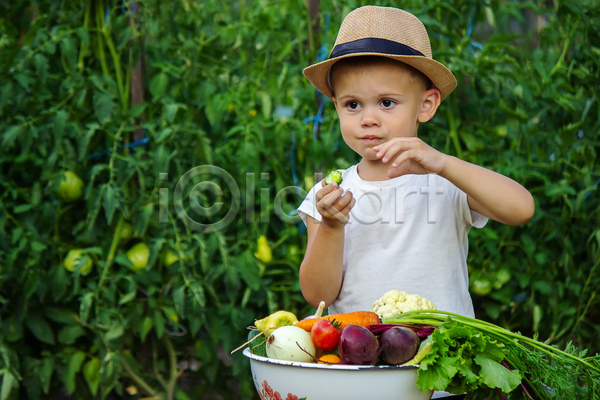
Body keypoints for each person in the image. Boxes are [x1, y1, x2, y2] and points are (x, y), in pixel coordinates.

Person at [297, 7, 534, 397]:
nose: (368, 119)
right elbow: (317, 294)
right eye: (352, 105)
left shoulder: (446, 181)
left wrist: (443, 164)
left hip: (444, 370)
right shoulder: (327, 196)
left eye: (387, 103)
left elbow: (521, 208)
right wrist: (332, 226)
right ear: (336, 106)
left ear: (426, 105)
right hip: (357, 373)